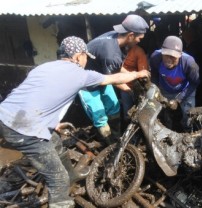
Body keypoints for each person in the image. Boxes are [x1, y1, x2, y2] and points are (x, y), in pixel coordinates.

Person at [0, 36, 150, 208]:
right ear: (78, 56)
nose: (86, 60)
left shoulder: (44, 67)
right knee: (57, 178)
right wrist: (138, 74)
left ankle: (71, 175)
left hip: (5, 115)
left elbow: (36, 96)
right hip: (22, 129)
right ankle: (61, 202)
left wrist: (52, 123)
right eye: (86, 56)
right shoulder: (80, 74)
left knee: (56, 142)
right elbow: (114, 79)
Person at [79, 14, 149, 141]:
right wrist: (131, 85)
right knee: (100, 118)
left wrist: (131, 78)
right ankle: (108, 146)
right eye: (139, 38)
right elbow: (113, 79)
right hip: (86, 84)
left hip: (101, 76)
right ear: (131, 35)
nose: (140, 41)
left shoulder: (117, 37)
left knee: (114, 107)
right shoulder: (110, 53)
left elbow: (117, 68)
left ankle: (116, 138)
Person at [150, 36, 200, 131]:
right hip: (165, 90)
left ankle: (188, 132)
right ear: (162, 52)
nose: (168, 59)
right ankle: (168, 131)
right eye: (166, 55)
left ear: (180, 55)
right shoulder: (155, 58)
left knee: (188, 115)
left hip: (186, 90)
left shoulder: (189, 63)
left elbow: (194, 83)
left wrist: (179, 99)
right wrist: (157, 93)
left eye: (173, 56)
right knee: (166, 114)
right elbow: (154, 77)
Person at [120, 45, 149, 129]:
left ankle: (141, 131)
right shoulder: (116, 52)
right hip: (124, 86)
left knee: (141, 111)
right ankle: (128, 131)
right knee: (127, 113)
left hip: (138, 88)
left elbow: (143, 74)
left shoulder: (138, 52)